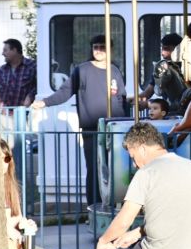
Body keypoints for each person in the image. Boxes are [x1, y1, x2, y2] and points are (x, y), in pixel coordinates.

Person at [32, 34, 127, 206]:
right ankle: (94, 207)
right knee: (94, 169)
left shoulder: (114, 70)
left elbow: (121, 97)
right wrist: (45, 102)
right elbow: (65, 92)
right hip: (92, 128)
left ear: (110, 49)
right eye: (95, 47)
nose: (98, 50)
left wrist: (130, 116)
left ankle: (115, 205)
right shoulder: (82, 70)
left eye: (102, 47)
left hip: (115, 128)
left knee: (117, 168)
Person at [2, 140, 58, 249]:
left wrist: (24, 224)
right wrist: (8, 226)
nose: (2, 164)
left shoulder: (10, 186)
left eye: (6, 159)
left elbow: (14, 219)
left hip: (14, 245)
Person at [137, 33, 184, 102]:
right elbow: (149, 92)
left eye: (166, 49)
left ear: (177, 49)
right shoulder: (162, 67)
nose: (162, 53)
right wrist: (135, 100)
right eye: (162, 48)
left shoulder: (186, 67)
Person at [0, 38, 36, 108]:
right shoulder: (1, 71)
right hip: (5, 115)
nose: (2, 54)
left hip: (26, 115)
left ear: (14, 50)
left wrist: (30, 96)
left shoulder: (32, 66)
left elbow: (40, 86)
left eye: (5, 50)